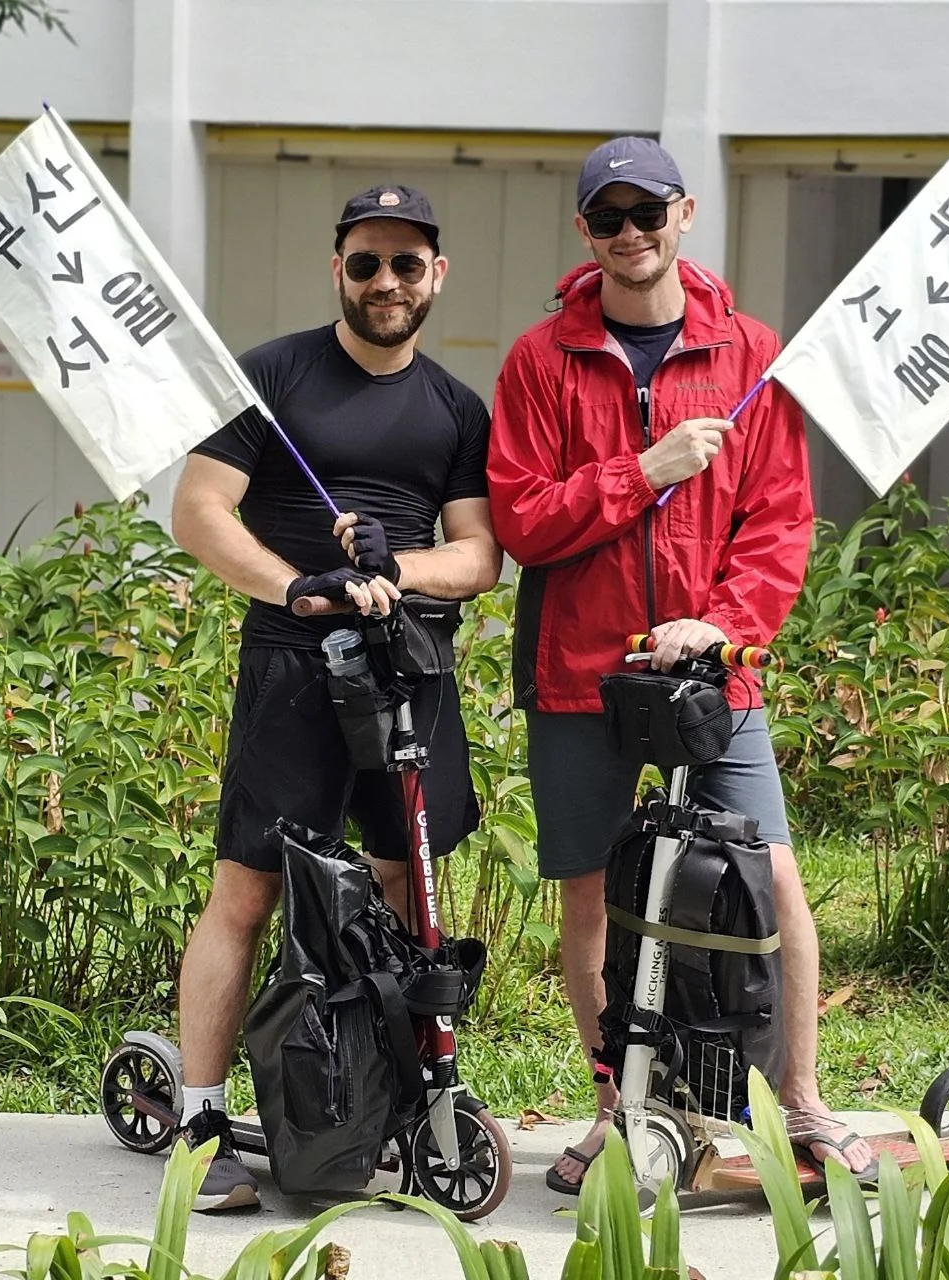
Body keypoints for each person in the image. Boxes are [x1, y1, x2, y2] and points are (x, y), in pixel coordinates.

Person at [486, 136, 875, 1194]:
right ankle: (616, 1103)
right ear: (584, 232)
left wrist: (722, 621)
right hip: (580, 674)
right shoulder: (538, 360)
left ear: (684, 214)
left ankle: (799, 1102)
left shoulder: (752, 352)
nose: (629, 234)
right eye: (607, 218)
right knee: (587, 898)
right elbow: (522, 519)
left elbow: (780, 520)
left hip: (715, 673)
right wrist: (639, 471)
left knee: (776, 878)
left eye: (646, 213)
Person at [169, 184, 503, 1211]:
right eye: (366, 261)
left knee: (412, 892)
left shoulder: (454, 407)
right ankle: (198, 1117)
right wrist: (297, 585)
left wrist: (394, 566)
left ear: (436, 274)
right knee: (249, 888)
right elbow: (197, 510)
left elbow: (480, 555)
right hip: (292, 670)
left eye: (407, 263)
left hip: (409, 677)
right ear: (338, 270)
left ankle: (405, 1099)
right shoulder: (269, 378)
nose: (387, 281)